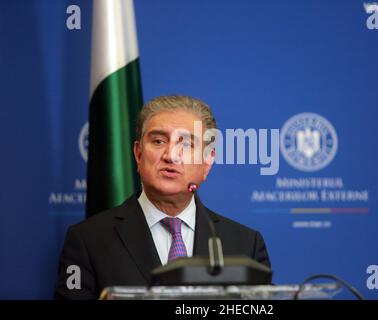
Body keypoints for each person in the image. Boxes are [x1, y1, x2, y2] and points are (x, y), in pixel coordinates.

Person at [54, 95, 271, 299]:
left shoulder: (246, 245)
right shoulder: (87, 240)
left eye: (186, 144)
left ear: (207, 162)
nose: (170, 155)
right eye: (158, 141)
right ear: (138, 155)